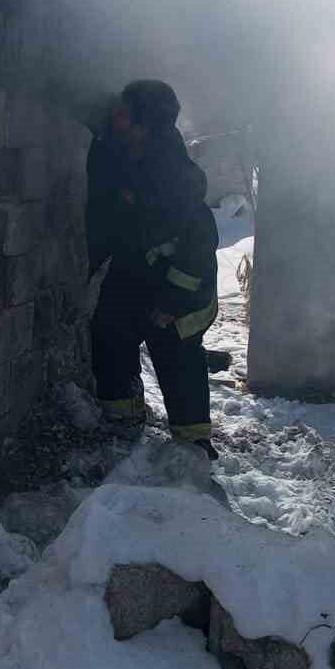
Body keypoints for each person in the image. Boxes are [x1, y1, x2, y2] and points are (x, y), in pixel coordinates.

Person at [85, 79, 220, 459]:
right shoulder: (127, 146)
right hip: (137, 273)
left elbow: (195, 247)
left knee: (176, 354)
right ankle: (121, 420)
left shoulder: (172, 177)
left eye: (124, 113)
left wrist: (172, 301)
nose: (116, 117)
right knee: (110, 332)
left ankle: (193, 445)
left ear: (145, 125)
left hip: (181, 288)